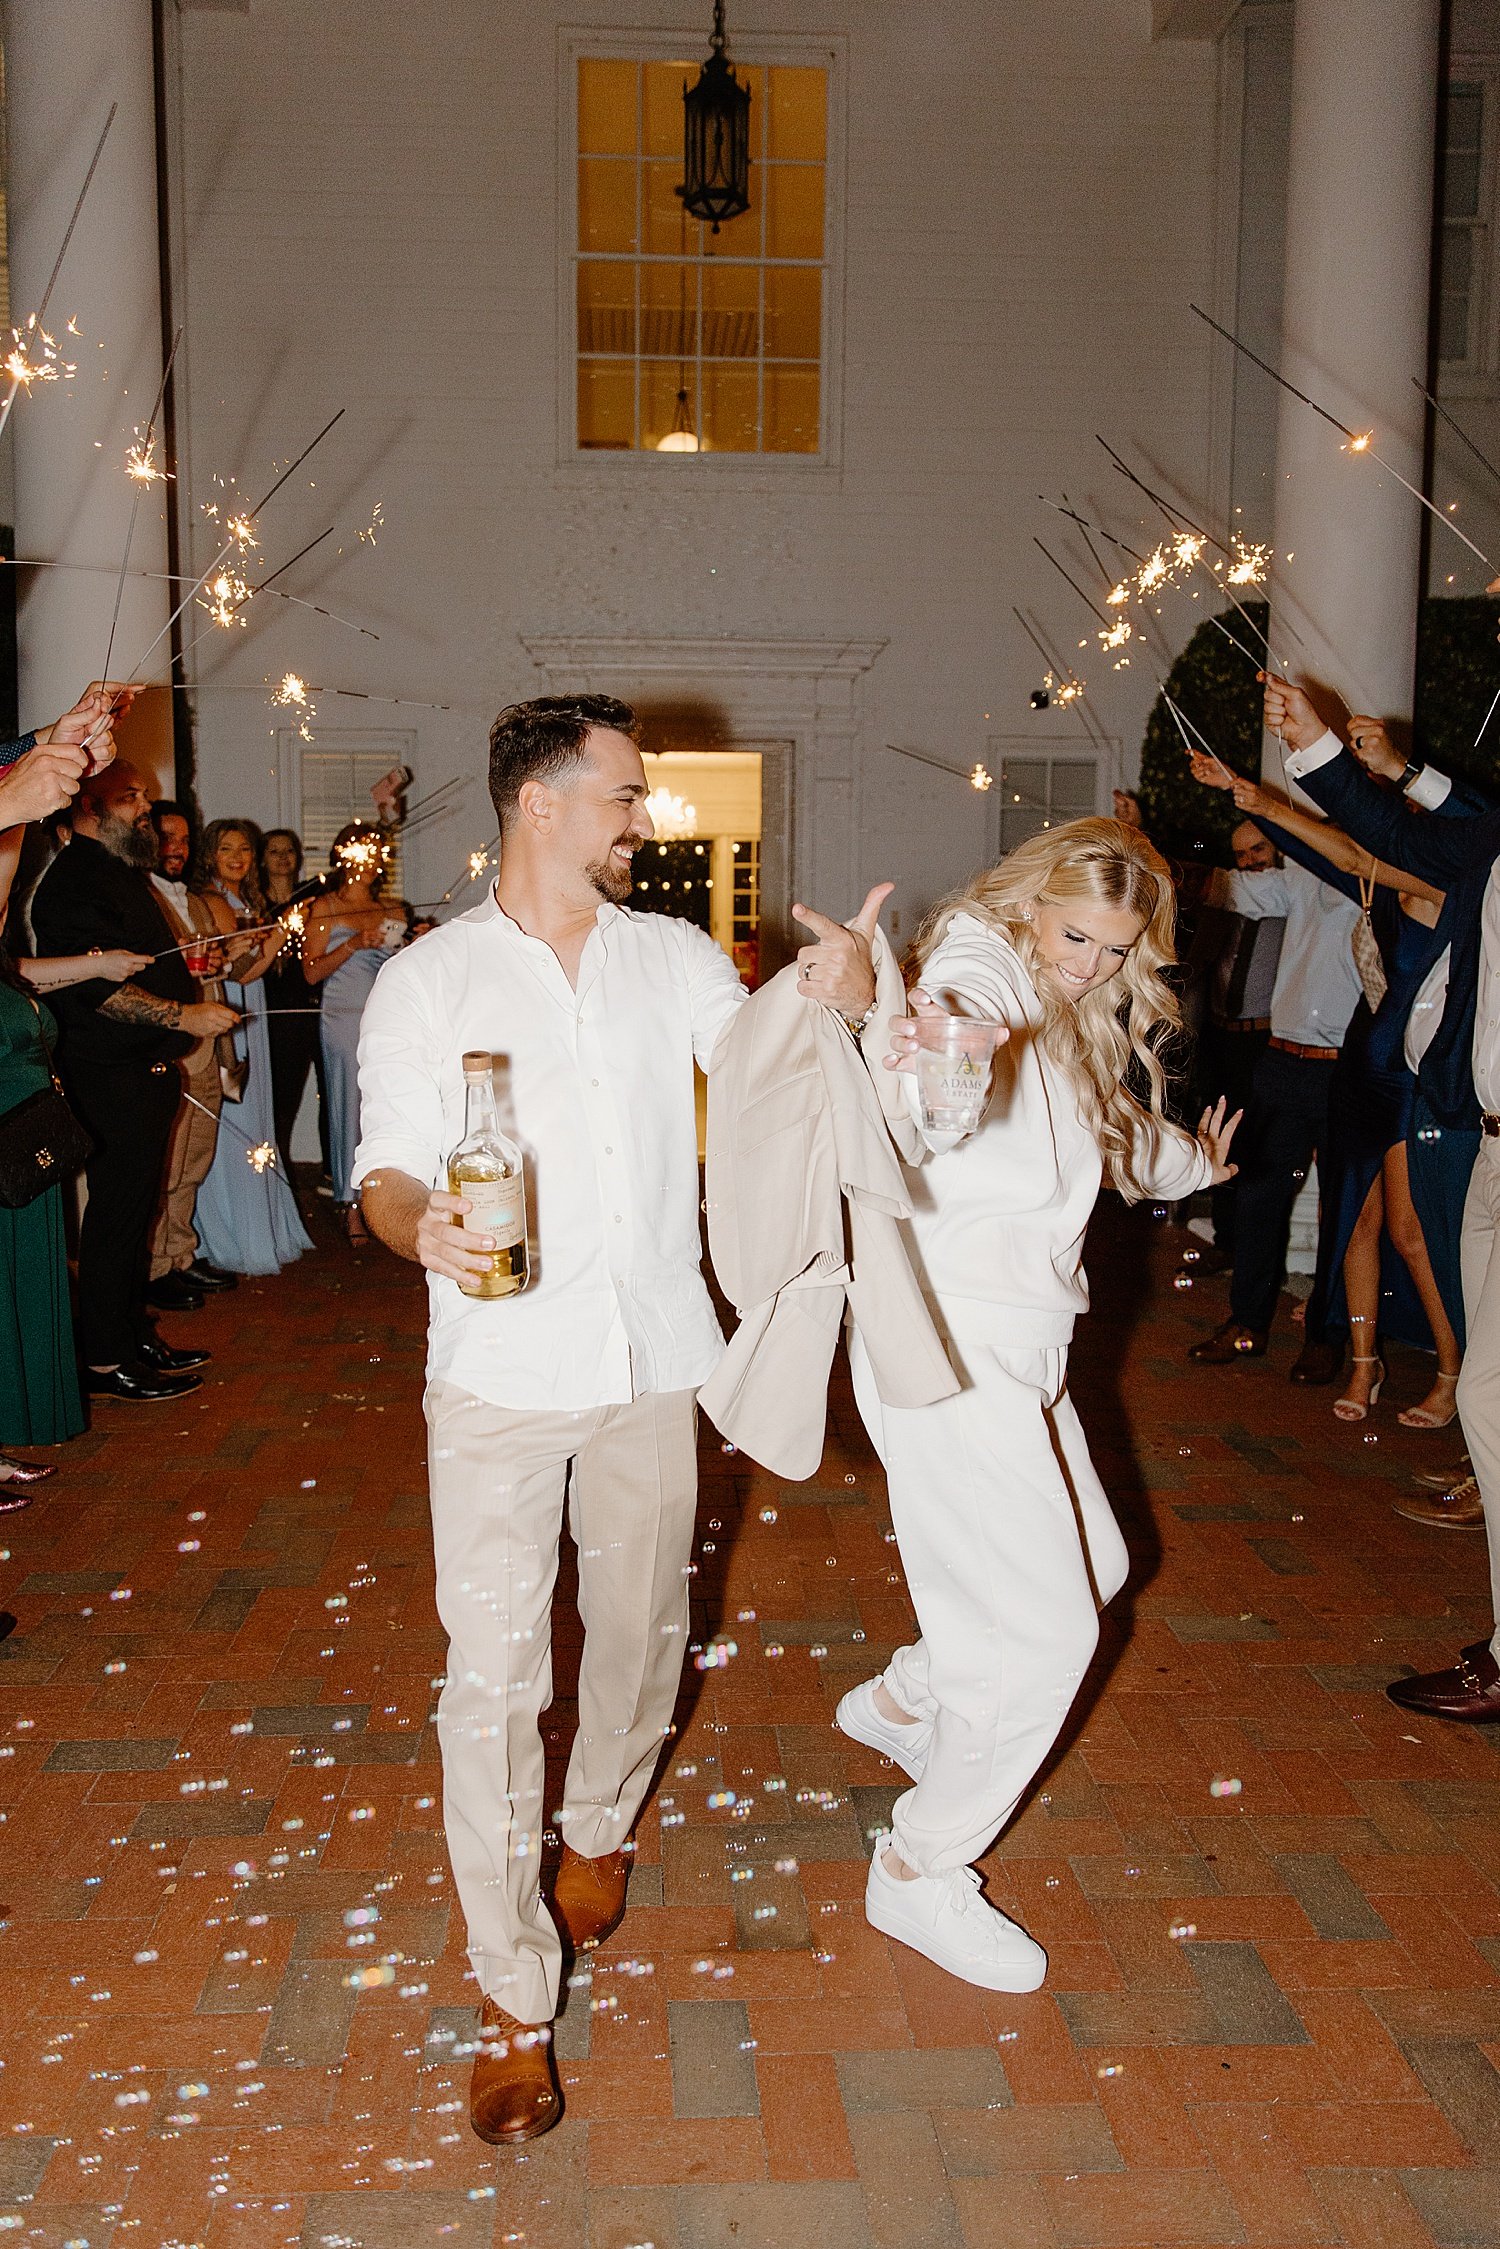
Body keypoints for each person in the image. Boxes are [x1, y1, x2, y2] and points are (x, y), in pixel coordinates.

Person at [354, 693, 879, 2144]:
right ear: (540, 800)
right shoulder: (433, 980)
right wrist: (421, 1235)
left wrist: (839, 1000)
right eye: (626, 796)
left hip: (657, 1356)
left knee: (646, 1630)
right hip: (498, 1376)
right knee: (494, 1676)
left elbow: (769, 1071)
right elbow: (383, 1170)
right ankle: (516, 1997)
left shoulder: (676, 958)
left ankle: (596, 1824)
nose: (647, 820)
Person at [835, 818, 1237, 1990]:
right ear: (1028, 904)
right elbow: (932, 1101)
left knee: (1097, 1567)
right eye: (1076, 935)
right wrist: (930, 1056)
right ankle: (917, 1867)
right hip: (954, 1344)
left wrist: (1189, 1164)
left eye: (1117, 950)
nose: (1092, 966)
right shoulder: (976, 961)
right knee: (1052, 1629)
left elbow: (1084, 1141)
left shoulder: (1062, 1004)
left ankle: (910, 1695)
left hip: (1021, 1341)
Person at [1264, 671, 1500, 1717]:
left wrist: (1398, 766)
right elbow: (1383, 838)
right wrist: (1316, 752)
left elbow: (1420, 821)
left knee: (1489, 1388)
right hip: (1491, 1139)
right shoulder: (1488, 845)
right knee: (1490, 1396)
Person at [1188, 752, 1462, 1428]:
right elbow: (1245, 885)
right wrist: (1235, 808)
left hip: (1371, 1068)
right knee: (1289, 1203)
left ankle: (1356, 1347)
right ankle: (1289, 1335)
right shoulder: (1318, 879)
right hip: (1312, 1064)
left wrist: (1265, 799)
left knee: (1379, 1220)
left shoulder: (1410, 880)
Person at [28, 764, 238, 1402]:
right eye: (131, 799)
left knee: (137, 1212)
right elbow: (98, 991)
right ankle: (102, 1358)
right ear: (88, 809)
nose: (146, 807)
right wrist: (186, 1015)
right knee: (115, 1221)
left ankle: (129, 1331)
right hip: (109, 1074)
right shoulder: (74, 880)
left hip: (143, 1071)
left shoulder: (117, 871)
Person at [1186, 767, 1365, 1378]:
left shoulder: (1379, 881)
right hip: (1283, 1061)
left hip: (1350, 1069)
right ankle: (1247, 1323)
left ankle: (1327, 1335)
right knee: (1262, 1193)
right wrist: (1144, 851)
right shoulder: (1303, 882)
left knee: (1345, 1206)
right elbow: (1230, 890)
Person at [193, 820, 312, 1276]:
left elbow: (254, 966)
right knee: (236, 1122)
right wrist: (282, 932)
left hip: (251, 1011)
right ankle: (230, 1234)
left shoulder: (245, 900)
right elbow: (241, 973)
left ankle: (263, 1227)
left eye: (244, 849)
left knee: (256, 1118)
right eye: (227, 849)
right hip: (231, 1009)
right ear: (211, 854)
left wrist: (279, 934)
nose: (238, 857)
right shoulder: (212, 899)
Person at [144, 801, 238, 1311]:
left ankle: (180, 1254)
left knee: (195, 1159)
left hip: (208, 1042)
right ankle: (154, 1266)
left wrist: (216, 960)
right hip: (172, 1043)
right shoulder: (138, 897)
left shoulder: (197, 902)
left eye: (182, 839)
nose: (175, 848)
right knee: (169, 1161)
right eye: (165, 838)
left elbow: (212, 959)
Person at [1180, 819, 1285, 1273]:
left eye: (1258, 850)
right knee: (1219, 1137)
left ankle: (1255, 1257)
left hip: (1268, 1039)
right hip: (1222, 1036)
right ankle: (1224, 1243)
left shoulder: (1290, 900)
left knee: (1261, 1149)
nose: (1249, 861)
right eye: (1241, 854)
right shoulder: (1228, 901)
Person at [303, 824, 409, 1245]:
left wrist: (415, 945)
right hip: (343, 1016)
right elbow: (311, 971)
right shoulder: (323, 908)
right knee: (348, 1104)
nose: (369, 861)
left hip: (387, 1015)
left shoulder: (396, 909)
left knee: (386, 1105)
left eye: (376, 852)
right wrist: (353, 945)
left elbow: (399, 971)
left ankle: (388, 1198)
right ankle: (349, 1205)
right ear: (341, 856)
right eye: (360, 851)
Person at [259, 827, 329, 1181]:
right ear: (263, 858)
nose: (283, 858)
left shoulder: (311, 894)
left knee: (327, 1092)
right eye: (274, 851)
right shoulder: (256, 903)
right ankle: (277, 1167)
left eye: (289, 851)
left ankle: (332, 1172)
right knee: (281, 1097)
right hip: (275, 1011)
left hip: (313, 1004)